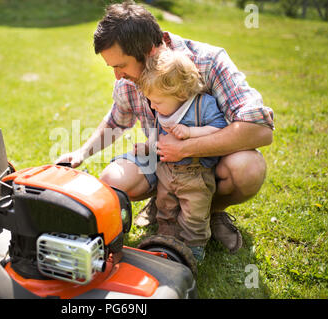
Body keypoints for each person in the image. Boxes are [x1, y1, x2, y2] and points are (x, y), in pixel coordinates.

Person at [55, 1, 274, 254]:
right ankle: (164, 204)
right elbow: (116, 120)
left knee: (248, 168)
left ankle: (210, 213)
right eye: (112, 67)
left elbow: (260, 129)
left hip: (206, 166)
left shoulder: (208, 61)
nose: (117, 75)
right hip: (159, 160)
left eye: (120, 65)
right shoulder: (127, 80)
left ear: (149, 51)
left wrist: (186, 147)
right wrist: (82, 153)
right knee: (112, 179)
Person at [133, 49, 227, 261]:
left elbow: (220, 129)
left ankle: (193, 249)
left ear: (181, 95)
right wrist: (148, 147)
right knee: (165, 207)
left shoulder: (202, 105)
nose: (152, 106)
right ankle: (166, 239)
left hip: (195, 173)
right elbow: (158, 133)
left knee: (194, 213)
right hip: (166, 170)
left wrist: (191, 133)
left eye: (156, 101)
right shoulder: (163, 109)